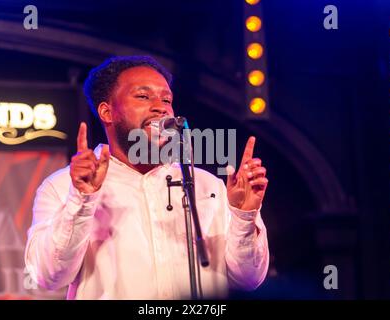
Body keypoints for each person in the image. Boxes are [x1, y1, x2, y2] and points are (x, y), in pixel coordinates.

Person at [25, 56, 270, 300]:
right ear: (107, 112)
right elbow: (49, 276)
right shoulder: (62, 186)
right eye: (143, 96)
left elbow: (248, 279)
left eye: (167, 99)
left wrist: (243, 216)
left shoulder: (208, 186)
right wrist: (82, 199)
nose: (160, 107)